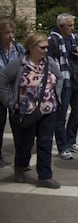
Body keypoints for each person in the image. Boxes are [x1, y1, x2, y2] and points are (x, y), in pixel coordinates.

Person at [0, 32, 63, 188]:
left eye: (47, 47)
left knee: (45, 143)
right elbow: (3, 80)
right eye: (42, 47)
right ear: (32, 47)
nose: (45, 50)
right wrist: (9, 101)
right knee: (24, 144)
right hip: (24, 112)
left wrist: (57, 95)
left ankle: (45, 176)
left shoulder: (49, 62)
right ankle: (20, 168)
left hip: (47, 111)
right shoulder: (19, 63)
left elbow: (60, 77)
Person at [48, 13, 78, 160]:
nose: (72, 28)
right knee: (61, 116)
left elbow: (77, 58)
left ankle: (71, 141)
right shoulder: (53, 40)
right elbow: (49, 61)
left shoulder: (73, 38)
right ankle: (62, 147)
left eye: (72, 25)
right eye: (69, 26)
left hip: (75, 79)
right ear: (61, 26)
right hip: (63, 81)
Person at [0, 19, 25, 168]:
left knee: (18, 127)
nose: (10, 36)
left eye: (11, 32)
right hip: (0, 92)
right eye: (6, 33)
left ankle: (21, 158)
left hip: (16, 91)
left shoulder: (18, 48)